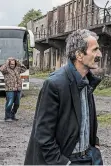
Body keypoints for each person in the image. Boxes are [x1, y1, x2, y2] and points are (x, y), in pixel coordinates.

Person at [24, 29, 103, 165]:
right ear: (79, 54)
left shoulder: (87, 80)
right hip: (69, 160)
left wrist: (94, 144)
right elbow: (43, 134)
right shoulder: (55, 84)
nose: (99, 54)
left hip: (88, 158)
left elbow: (84, 120)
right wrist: (62, 163)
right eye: (95, 50)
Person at [0, 57, 27, 122]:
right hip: (9, 89)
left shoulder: (17, 69)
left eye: (13, 64)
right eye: (11, 64)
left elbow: (24, 68)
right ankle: (7, 117)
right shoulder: (6, 70)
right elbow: (1, 69)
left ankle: (12, 115)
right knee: (9, 103)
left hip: (18, 89)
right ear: (9, 64)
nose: (12, 65)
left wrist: (17, 60)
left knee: (17, 103)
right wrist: (7, 61)